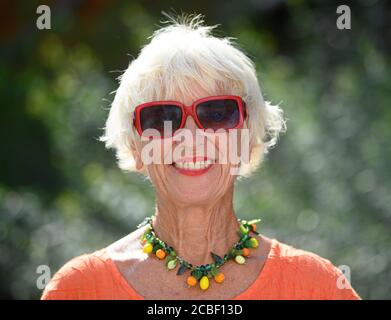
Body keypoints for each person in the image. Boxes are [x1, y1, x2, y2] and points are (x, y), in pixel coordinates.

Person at [41, 14, 361, 300]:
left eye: (217, 113)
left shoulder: (316, 287)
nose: (191, 136)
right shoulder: (79, 290)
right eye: (163, 116)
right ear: (135, 148)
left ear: (249, 139)